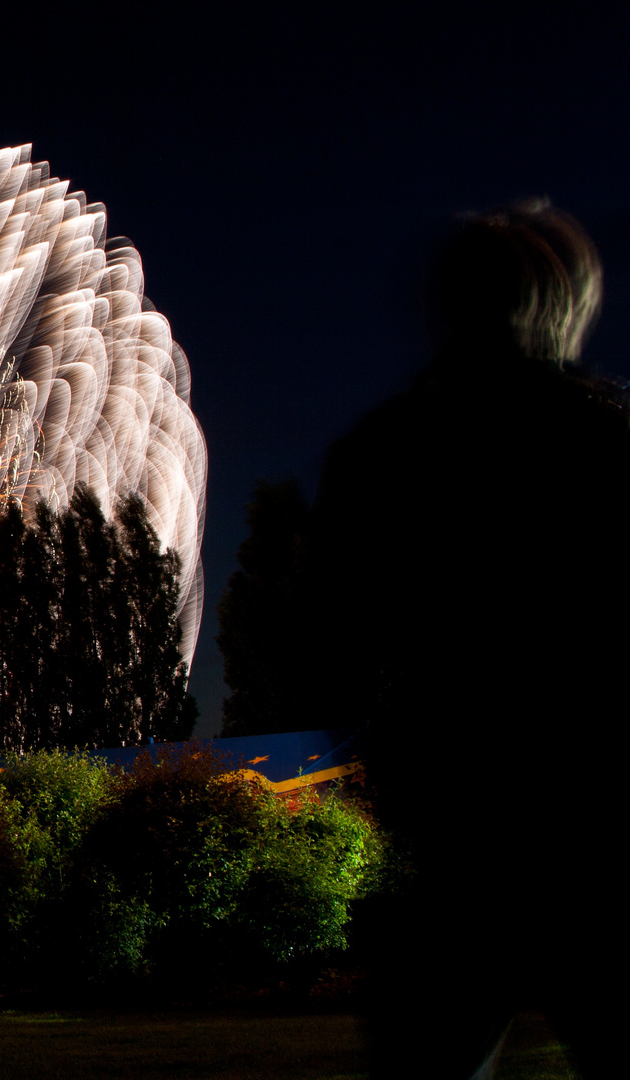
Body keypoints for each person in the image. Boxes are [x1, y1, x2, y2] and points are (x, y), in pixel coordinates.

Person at [306, 201, 625, 1078]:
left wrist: (394, 764)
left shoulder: (379, 455)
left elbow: (330, 650)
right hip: (596, 828)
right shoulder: (608, 439)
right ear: (564, 305)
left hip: (454, 835)